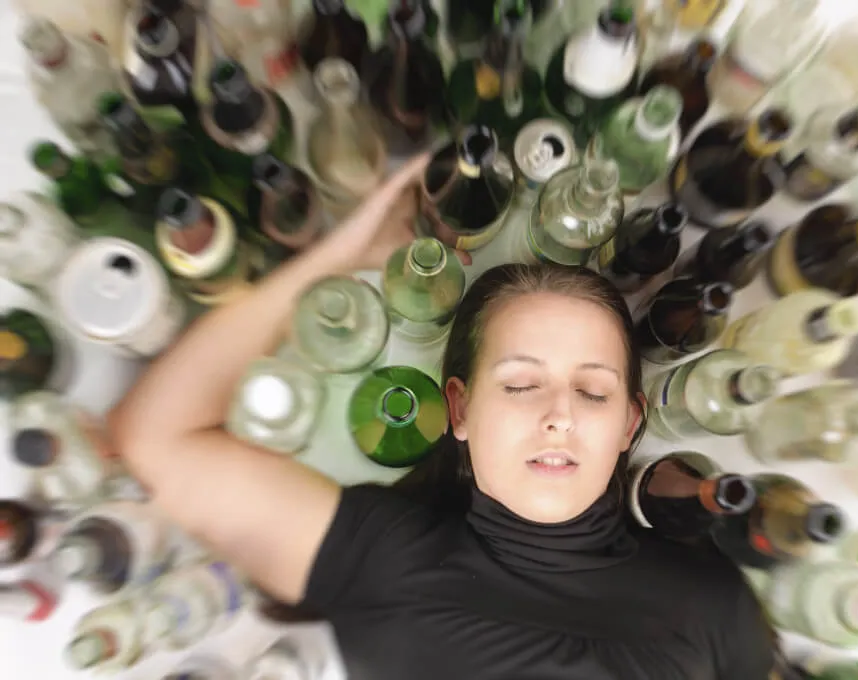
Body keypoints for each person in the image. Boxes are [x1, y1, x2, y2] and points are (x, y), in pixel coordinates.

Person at [108, 155, 777, 679]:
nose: (558, 417)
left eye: (593, 393)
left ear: (629, 424)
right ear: (459, 410)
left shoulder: (714, 602)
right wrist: (340, 261)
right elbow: (155, 437)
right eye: (520, 386)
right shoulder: (383, 555)